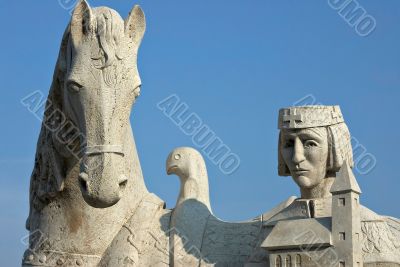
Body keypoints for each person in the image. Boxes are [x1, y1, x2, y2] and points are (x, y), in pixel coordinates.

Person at [263, 105, 400, 265]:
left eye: (310, 143)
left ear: (335, 148)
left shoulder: (369, 226)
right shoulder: (271, 227)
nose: (296, 157)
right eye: (288, 144)